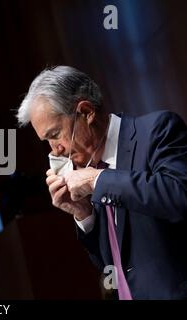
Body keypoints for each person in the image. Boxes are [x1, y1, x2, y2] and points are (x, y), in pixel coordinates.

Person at [16, 65, 187, 300]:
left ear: (86, 112)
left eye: (55, 135)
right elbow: (113, 264)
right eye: (46, 140)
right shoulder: (90, 172)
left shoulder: (158, 129)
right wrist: (84, 213)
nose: (56, 150)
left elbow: (179, 196)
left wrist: (97, 179)